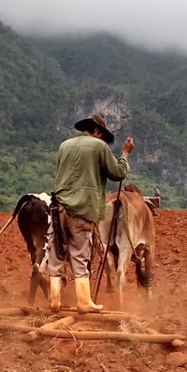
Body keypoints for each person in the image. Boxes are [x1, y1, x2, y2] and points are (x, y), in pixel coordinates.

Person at [47, 114, 134, 312]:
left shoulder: (64, 146)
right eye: (102, 135)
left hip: (58, 206)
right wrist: (125, 154)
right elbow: (118, 173)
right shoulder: (99, 147)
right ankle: (84, 302)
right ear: (97, 131)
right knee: (80, 254)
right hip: (82, 209)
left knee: (57, 251)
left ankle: (54, 300)